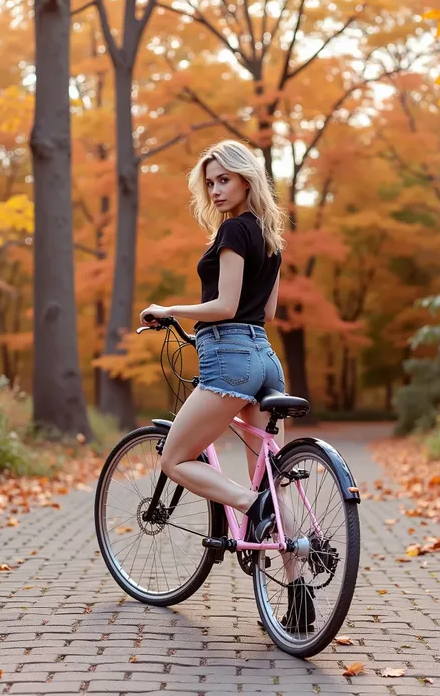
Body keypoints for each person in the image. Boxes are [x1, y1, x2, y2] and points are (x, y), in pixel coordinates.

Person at [140, 139, 314, 631]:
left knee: (174, 458)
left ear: (245, 180)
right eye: (210, 182)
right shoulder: (271, 235)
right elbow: (268, 312)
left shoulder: (236, 230)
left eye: (224, 180)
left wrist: (169, 309)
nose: (216, 190)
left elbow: (225, 306)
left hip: (229, 358)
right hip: (264, 358)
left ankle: (247, 504)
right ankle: (298, 601)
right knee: (272, 478)